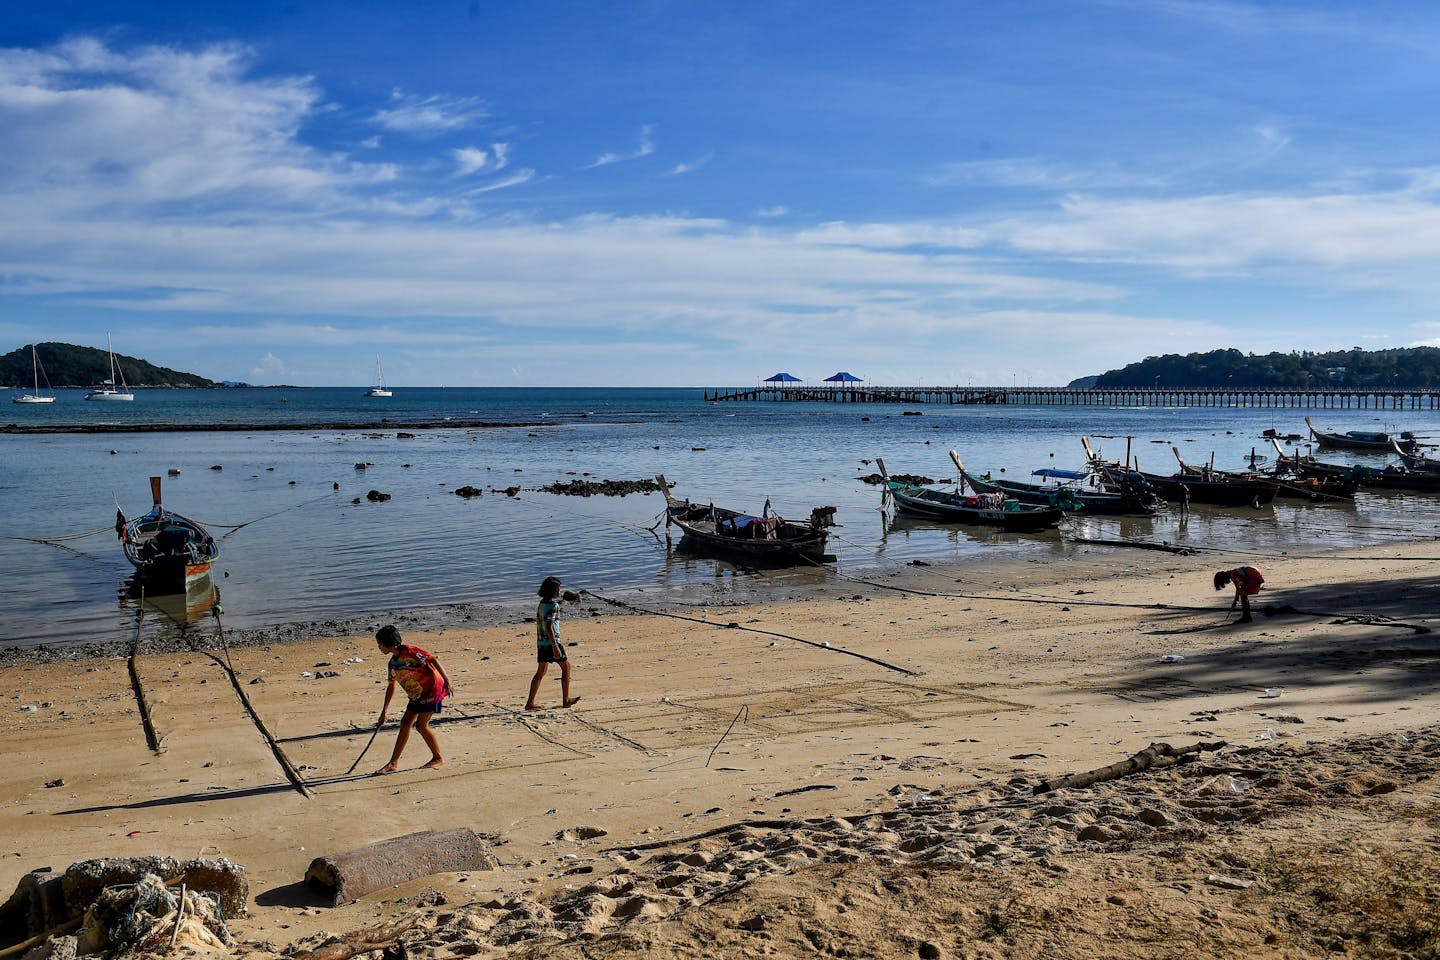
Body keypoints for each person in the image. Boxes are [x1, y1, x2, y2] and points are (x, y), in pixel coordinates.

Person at [373, 624, 452, 774]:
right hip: (416, 695)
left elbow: (431, 659)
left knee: (421, 726)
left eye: (380, 644)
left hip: (432, 690)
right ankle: (393, 763)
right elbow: (391, 687)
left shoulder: (410, 651)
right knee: (405, 723)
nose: (379, 647)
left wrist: (447, 680)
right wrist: (384, 711)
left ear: (388, 643)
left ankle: (438, 758)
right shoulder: (393, 664)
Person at [526, 576, 580, 710]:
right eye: (558, 589)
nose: (559, 592)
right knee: (566, 668)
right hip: (552, 642)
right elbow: (549, 627)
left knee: (540, 672)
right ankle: (566, 700)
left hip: (541, 643)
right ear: (552, 591)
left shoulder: (542, 604)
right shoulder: (554, 606)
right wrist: (556, 647)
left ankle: (530, 703)